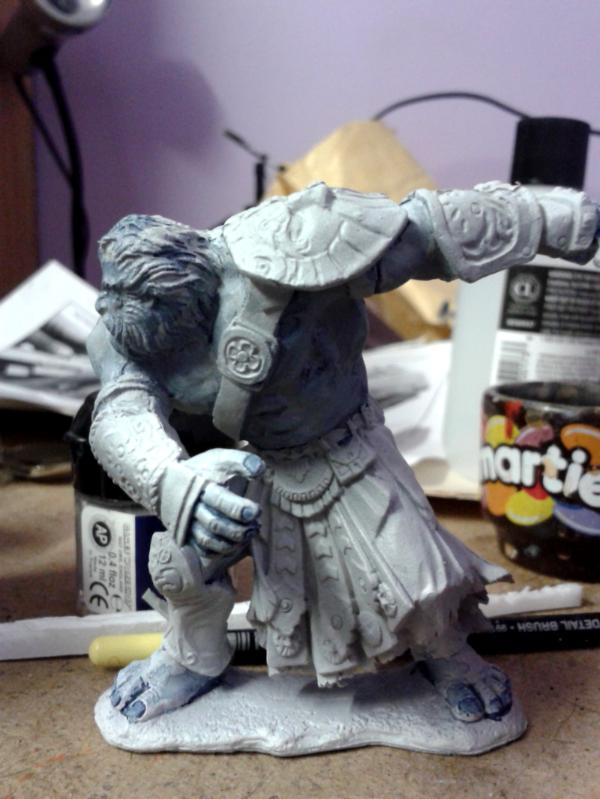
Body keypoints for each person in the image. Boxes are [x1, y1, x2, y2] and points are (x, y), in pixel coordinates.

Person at [88, 180, 598, 724]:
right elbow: (120, 412)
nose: (109, 305)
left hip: (346, 447)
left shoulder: (285, 244)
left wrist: (545, 219)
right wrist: (173, 482)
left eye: (136, 296)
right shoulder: (121, 334)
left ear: (188, 280)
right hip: (257, 462)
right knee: (178, 563)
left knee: (419, 583)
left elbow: (425, 233)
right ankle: (192, 656)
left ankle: (447, 656)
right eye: (110, 294)